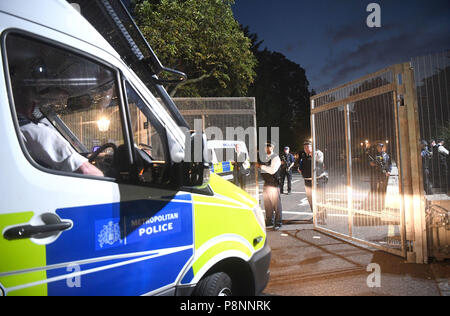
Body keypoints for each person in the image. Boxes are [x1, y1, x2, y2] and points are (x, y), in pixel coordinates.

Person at [13, 85, 104, 177]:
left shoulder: (14, 132)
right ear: (32, 107)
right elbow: (88, 172)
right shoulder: (36, 132)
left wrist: (88, 156)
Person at [256, 142, 282, 230]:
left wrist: (260, 166)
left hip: (274, 183)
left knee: (276, 205)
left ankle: (278, 222)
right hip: (266, 182)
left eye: (269, 147)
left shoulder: (275, 158)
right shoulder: (264, 158)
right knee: (267, 204)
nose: (267, 148)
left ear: (272, 147)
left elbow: (272, 170)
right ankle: (269, 221)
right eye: (265, 147)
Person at [368, 143, 392, 210]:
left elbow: (389, 164)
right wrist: (372, 163)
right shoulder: (373, 155)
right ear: (377, 148)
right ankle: (374, 204)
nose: (380, 148)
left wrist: (389, 171)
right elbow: (370, 162)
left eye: (381, 147)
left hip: (382, 174)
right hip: (375, 174)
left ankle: (381, 204)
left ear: (383, 148)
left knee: (382, 189)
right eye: (378, 147)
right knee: (374, 189)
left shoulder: (386, 155)